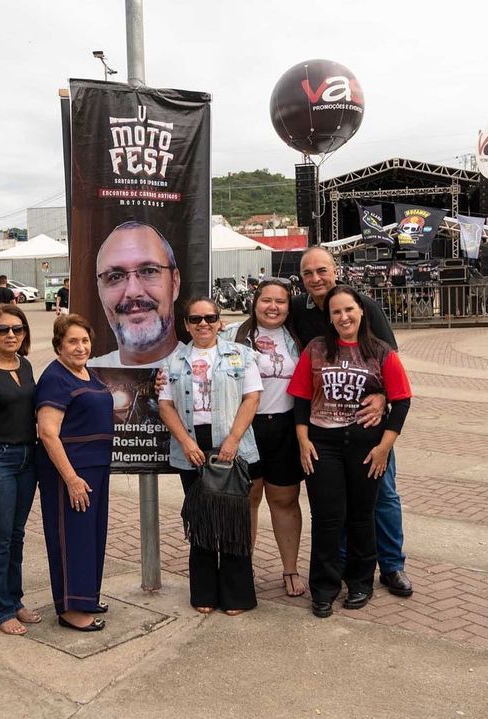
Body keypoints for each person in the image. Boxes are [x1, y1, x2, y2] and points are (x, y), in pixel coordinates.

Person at [290, 246, 413, 599]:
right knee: (334, 507)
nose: (316, 278)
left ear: (335, 271)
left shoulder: (364, 305)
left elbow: (388, 364)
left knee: (381, 496)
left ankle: (391, 565)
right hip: (325, 431)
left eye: (322, 271)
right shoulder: (299, 309)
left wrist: (384, 399)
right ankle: (343, 571)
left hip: (366, 430)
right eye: (309, 273)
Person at [158, 297, 262, 615]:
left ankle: (236, 595)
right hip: (192, 446)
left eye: (210, 318)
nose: (203, 324)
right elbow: (165, 405)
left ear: (219, 321)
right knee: (201, 519)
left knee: (233, 520)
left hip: (233, 445)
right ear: (187, 324)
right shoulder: (173, 361)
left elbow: (252, 398)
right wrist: (186, 442)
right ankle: (203, 592)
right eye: (195, 319)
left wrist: (232, 440)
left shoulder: (241, 355)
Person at [219, 278, 306, 597]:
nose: (273, 307)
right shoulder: (231, 336)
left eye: (280, 302)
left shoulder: (296, 337)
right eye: (266, 300)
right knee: (247, 499)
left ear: (289, 306)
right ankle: (244, 568)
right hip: (246, 428)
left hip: (284, 427)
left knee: (284, 499)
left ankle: (290, 568)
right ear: (254, 303)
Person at [36, 314, 115, 631]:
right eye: (72, 341)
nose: (80, 346)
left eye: (84, 340)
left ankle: (85, 596)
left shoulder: (86, 373)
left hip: (95, 470)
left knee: (91, 537)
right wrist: (71, 479)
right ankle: (70, 609)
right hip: (70, 472)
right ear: (59, 345)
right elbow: (47, 433)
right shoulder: (55, 378)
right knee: (71, 539)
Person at [0, 304, 42, 635]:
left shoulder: (25, 366)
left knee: (17, 534)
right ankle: (0, 609)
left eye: (17, 329)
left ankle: (15, 600)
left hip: (27, 458)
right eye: (3, 330)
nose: (11, 335)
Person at [90, 221, 181, 368]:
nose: (133, 291)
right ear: (100, 291)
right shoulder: (83, 377)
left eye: (149, 271)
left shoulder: (209, 367)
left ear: (175, 283)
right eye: (115, 276)